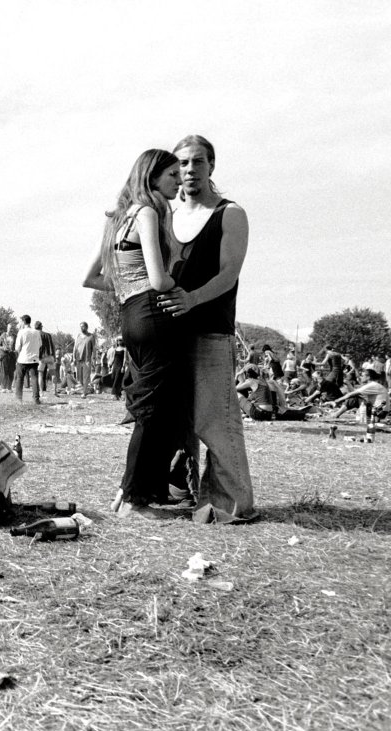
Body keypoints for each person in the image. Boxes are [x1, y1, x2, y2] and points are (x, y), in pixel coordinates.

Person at [156, 135, 258, 524]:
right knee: (175, 420)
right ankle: (180, 490)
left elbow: (229, 273)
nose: (189, 170)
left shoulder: (230, 214)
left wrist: (193, 299)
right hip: (169, 334)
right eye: (181, 163)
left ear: (211, 165)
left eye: (197, 161)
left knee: (215, 420)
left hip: (211, 331)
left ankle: (231, 502)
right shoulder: (165, 215)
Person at [84, 148, 183, 518]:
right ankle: (132, 498)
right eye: (172, 175)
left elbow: (91, 278)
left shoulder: (117, 218)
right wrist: (181, 285)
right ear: (152, 176)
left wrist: (128, 284)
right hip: (154, 313)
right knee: (154, 412)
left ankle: (138, 491)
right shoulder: (148, 212)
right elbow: (158, 279)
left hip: (130, 315)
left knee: (151, 408)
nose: (179, 182)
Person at [73, 322, 97, 397]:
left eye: (83, 326)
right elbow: (75, 347)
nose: (81, 328)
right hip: (78, 359)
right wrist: (73, 357)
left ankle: (84, 392)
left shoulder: (91, 336)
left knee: (86, 376)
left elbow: (94, 348)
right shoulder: (78, 336)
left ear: (86, 327)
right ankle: (84, 389)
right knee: (79, 378)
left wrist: (94, 358)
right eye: (80, 326)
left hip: (87, 359)